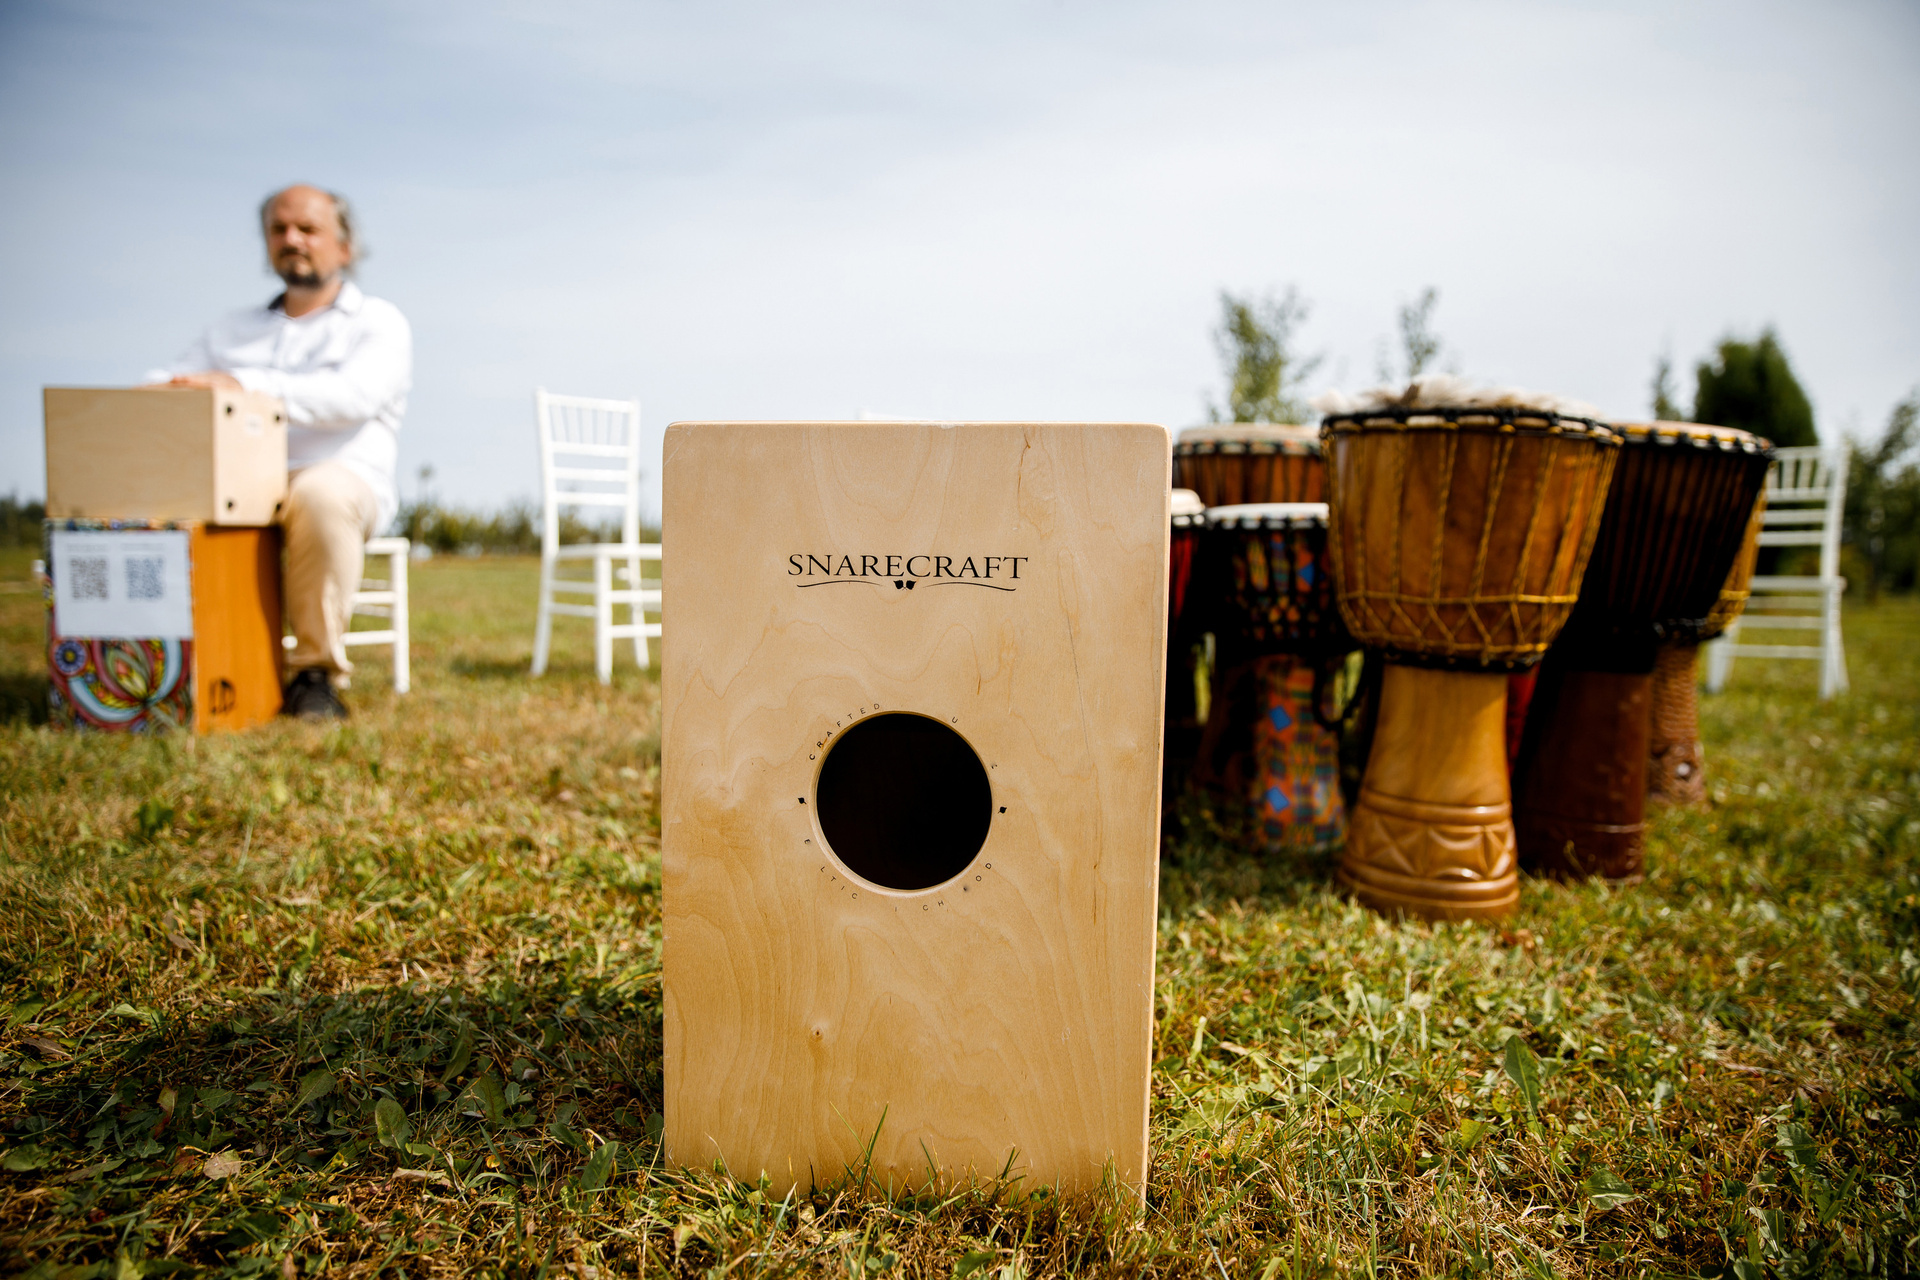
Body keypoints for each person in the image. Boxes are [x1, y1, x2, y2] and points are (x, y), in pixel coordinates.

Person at [146, 184, 412, 719]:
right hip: (232, 480)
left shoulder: (378, 322)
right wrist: (158, 389)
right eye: (279, 229)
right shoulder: (231, 328)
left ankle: (315, 675)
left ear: (345, 247)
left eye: (308, 229)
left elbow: (352, 396)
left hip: (334, 477)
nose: (292, 239)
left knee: (320, 495)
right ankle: (168, 668)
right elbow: (170, 379)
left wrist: (242, 384)